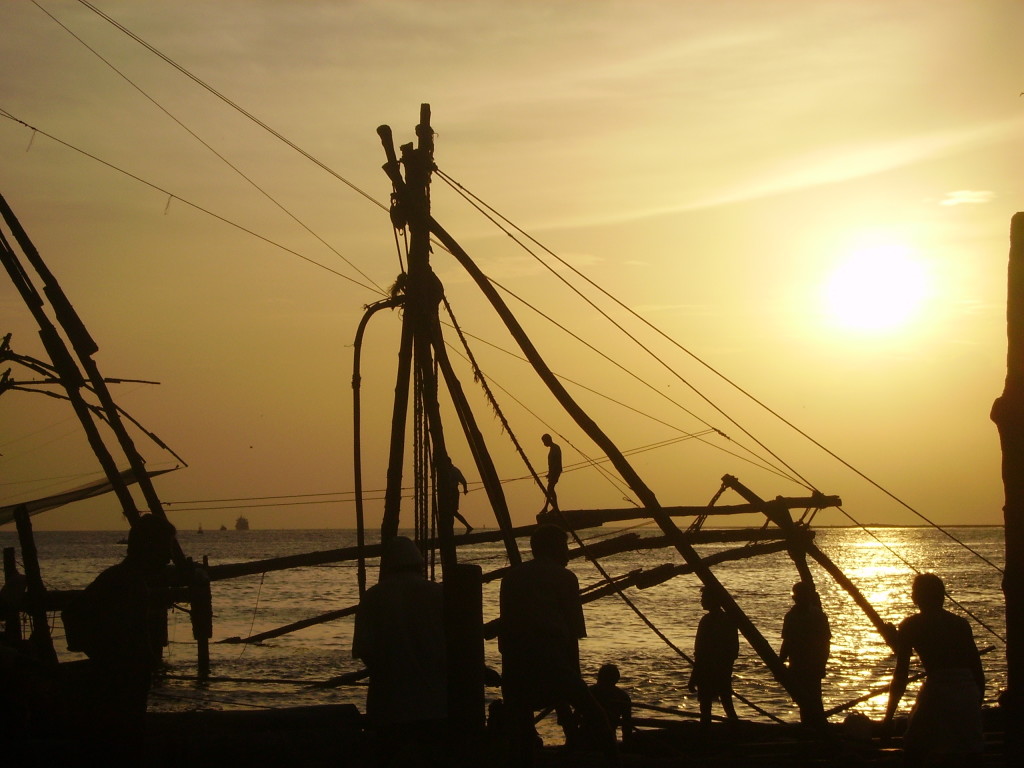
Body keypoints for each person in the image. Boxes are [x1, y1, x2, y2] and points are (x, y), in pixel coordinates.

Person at [498, 524, 616, 766]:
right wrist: (575, 675)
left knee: (522, 728)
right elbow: (572, 632)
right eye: (564, 546)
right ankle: (615, 762)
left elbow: (506, 625)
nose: (567, 552)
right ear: (553, 548)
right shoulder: (564, 578)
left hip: (516, 661)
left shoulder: (512, 577)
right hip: (552, 658)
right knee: (597, 716)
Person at [62, 513, 176, 757]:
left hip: (125, 680)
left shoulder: (126, 578)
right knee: (122, 744)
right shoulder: (124, 582)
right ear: (148, 547)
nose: (168, 555)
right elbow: (73, 613)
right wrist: (107, 657)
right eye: (164, 547)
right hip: (119, 685)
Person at [352, 535, 447, 767]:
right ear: (419, 564)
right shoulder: (437, 594)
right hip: (434, 703)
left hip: (388, 704)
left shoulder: (373, 597)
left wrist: (388, 672)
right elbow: (455, 645)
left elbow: (364, 649)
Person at [883, 573, 984, 764]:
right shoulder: (960, 624)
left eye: (914, 592)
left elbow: (901, 674)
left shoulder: (911, 625)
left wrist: (888, 717)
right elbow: (976, 669)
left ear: (917, 597)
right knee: (969, 752)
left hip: (938, 690)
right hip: (967, 690)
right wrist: (975, 703)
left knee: (915, 749)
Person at [779, 580, 831, 727]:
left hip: (810, 665)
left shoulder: (815, 616)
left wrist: (822, 664)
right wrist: (780, 662)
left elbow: (824, 643)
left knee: (812, 699)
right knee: (805, 700)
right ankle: (812, 728)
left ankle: (815, 730)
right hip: (800, 665)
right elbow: (787, 642)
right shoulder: (794, 616)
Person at [688, 586, 739, 726]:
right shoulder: (727, 620)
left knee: (706, 707)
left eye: (704, 598)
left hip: (709, 669)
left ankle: (707, 734)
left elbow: (700, 652)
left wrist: (694, 677)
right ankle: (735, 728)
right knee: (726, 702)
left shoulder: (708, 621)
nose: (701, 601)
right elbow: (734, 651)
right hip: (722, 669)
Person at [589, 663, 634, 747]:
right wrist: (627, 745)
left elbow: (627, 725)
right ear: (616, 679)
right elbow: (627, 727)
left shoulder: (589, 692)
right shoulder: (623, 696)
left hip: (588, 738)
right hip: (607, 740)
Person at [438, 456, 473, 534]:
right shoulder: (445, 471)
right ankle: (451, 530)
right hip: (447, 493)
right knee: (450, 512)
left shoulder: (454, 471)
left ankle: (468, 526)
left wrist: (465, 489)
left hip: (453, 492)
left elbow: (463, 481)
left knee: (453, 512)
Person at [539, 434, 562, 515]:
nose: (544, 443)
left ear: (548, 440)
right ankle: (553, 507)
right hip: (553, 472)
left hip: (556, 472)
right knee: (550, 489)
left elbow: (556, 462)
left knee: (550, 488)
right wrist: (549, 473)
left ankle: (550, 508)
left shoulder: (555, 448)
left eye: (544, 441)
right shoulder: (553, 448)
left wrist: (552, 473)